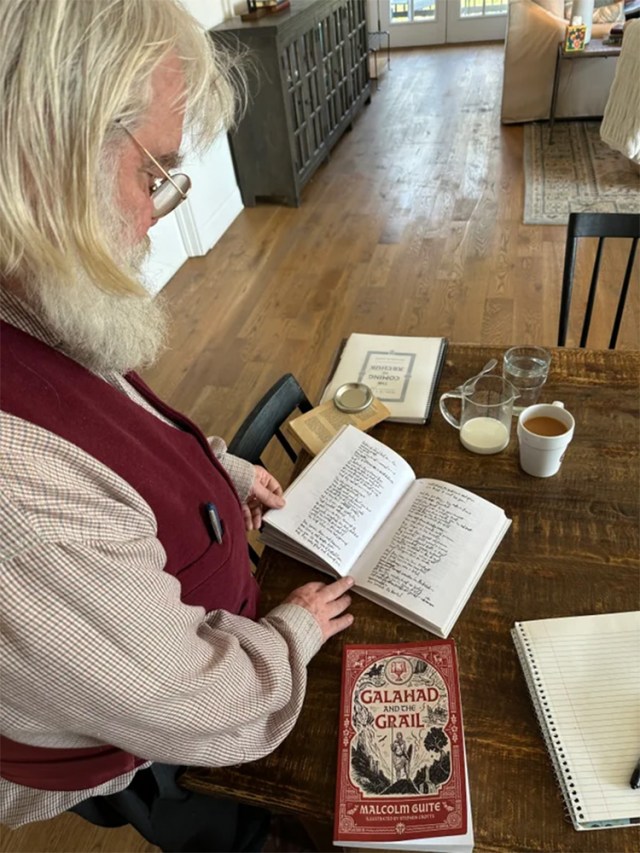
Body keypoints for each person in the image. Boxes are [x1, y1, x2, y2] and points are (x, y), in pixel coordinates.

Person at [0, 1, 355, 850]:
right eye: (153, 171)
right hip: (152, 746)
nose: (159, 210)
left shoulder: (32, 289)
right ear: (45, 151)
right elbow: (191, 704)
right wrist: (294, 630)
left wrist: (221, 474)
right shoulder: (12, 484)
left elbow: (108, 426)